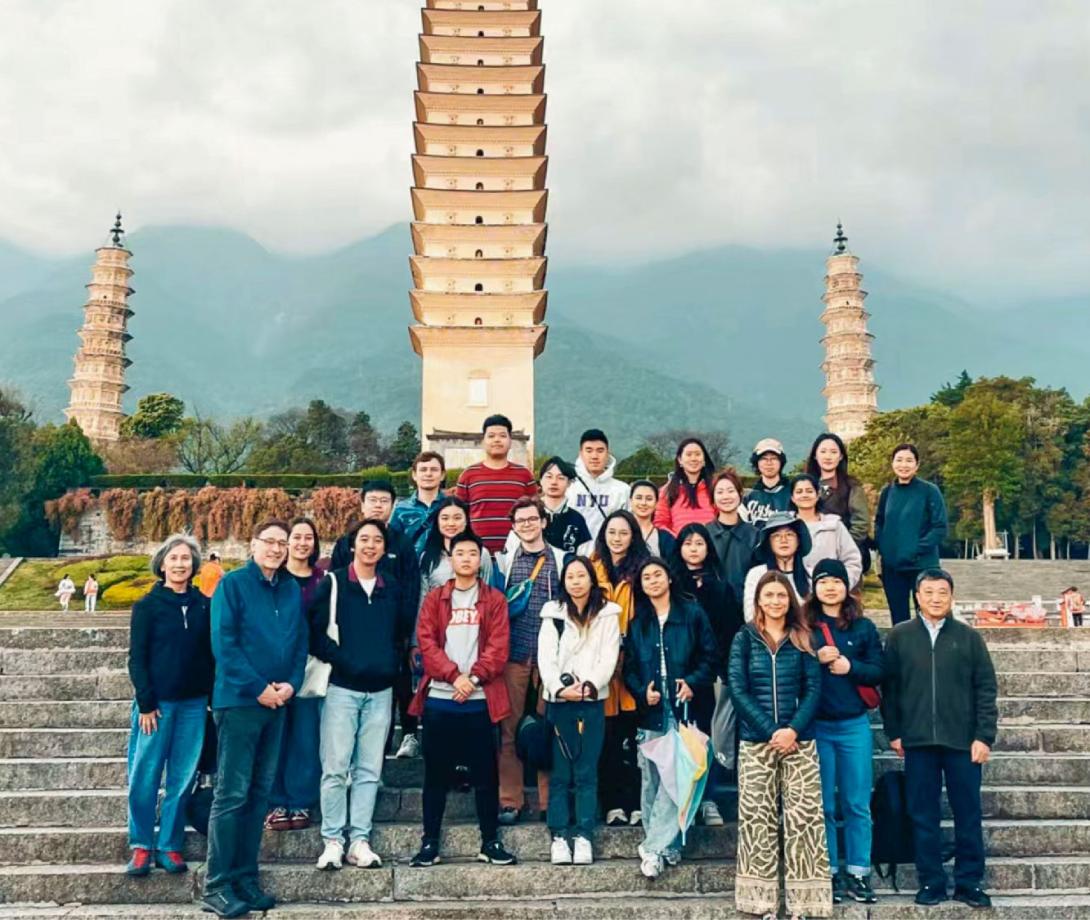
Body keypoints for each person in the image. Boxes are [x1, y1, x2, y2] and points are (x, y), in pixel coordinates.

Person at [201, 520, 309, 919]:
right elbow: (224, 646)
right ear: (253, 545)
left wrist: (290, 686)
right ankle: (217, 883)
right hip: (240, 702)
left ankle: (246, 878)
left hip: (277, 702)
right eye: (271, 542)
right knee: (231, 794)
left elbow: (300, 644)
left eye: (283, 544)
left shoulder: (290, 589)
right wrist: (259, 687)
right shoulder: (232, 585)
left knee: (260, 793)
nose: (278, 549)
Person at [882, 569, 998, 909]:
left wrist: (984, 736)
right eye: (929, 592)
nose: (935, 598)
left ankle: (969, 882)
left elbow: (986, 689)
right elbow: (890, 689)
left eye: (942, 592)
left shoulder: (969, 637)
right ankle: (931, 882)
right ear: (917, 596)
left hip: (963, 741)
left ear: (952, 597)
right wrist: (895, 732)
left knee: (968, 813)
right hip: (917, 742)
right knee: (923, 813)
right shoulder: (901, 636)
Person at [408, 531, 517, 868]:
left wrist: (471, 679)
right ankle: (429, 842)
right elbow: (427, 644)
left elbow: (498, 649)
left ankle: (490, 841)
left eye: (473, 553)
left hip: (481, 699)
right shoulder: (435, 599)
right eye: (460, 553)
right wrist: (455, 676)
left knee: (486, 776)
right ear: (451, 560)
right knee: (436, 776)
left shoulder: (494, 600)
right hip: (441, 699)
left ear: (480, 560)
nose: (466, 558)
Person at [311, 519, 415, 871]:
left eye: (377, 540)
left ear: (385, 548)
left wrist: (389, 665)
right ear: (352, 545)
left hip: (381, 690)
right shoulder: (335, 582)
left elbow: (400, 633)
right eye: (363, 539)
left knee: (370, 769)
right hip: (342, 688)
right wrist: (347, 661)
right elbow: (316, 634)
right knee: (336, 768)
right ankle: (332, 840)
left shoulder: (392, 586)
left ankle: (359, 839)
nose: (370, 545)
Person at [729, 571, 831, 918]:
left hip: (800, 742)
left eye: (781, 595)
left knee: (804, 821)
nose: (775, 601)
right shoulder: (744, 638)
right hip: (757, 743)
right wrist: (772, 730)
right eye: (768, 595)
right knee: (758, 821)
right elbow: (737, 689)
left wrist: (792, 730)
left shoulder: (805, 637)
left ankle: (806, 904)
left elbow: (813, 689)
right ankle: (761, 903)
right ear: (758, 600)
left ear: (791, 600)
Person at [125, 534, 213, 878]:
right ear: (162, 564)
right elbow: (137, 659)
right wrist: (145, 702)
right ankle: (142, 843)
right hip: (156, 706)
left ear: (194, 566)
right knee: (145, 774)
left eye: (186, 559)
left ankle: (170, 845)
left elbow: (210, 655)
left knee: (183, 777)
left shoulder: (204, 605)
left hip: (193, 704)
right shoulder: (147, 606)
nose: (180, 564)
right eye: (174, 558)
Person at [624, 558, 717, 878]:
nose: (652, 580)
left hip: (684, 707)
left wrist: (692, 681)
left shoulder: (691, 614)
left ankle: (652, 848)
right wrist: (641, 692)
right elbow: (630, 670)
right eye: (646, 576)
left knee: (677, 777)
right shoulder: (639, 623)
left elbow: (710, 655)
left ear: (670, 579)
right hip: (651, 709)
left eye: (657, 574)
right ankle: (666, 845)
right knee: (651, 778)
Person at [806, 559, 883, 905]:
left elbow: (879, 671)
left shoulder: (863, 627)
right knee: (822, 804)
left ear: (846, 586)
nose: (831, 588)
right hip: (818, 725)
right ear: (815, 587)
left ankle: (858, 872)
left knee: (857, 803)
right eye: (823, 582)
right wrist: (816, 659)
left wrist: (850, 666)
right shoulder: (805, 626)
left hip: (853, 725)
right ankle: (829, 872)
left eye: (837, 581)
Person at [538, 556, 621, 865]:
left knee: (586, 771)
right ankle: (559, 835)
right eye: (570, 576)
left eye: (581, 575)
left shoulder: (608, 613)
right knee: (560, 773)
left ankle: (584, 834)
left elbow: (609, 656)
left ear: (591, 579)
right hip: (560, 702)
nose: (575, 581)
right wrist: (559, 689)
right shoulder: (553, 613)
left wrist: (588, 686)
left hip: (592, 700)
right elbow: (545, 657)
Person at [331, 480, 421, 759]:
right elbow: (335, 585)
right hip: (353, 633)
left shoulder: (402, 542)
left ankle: (408, 733)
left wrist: (403, 628)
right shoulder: (346, 542)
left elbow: (411, 587)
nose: (378, 505)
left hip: (393, 632)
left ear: (393, 506)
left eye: (384, 501)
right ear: (362, 503)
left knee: (400, 682)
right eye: (373, 500)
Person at [494, 497, 566, 824]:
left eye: (532, 519)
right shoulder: (504, 562)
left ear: (543, 521)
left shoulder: (562, 560)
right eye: (520, 520)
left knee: (549, 730)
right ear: (513, 526)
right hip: (514, 654)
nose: (526, 524)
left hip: (552, 658)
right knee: (508, 730)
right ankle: (511, 800)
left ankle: (549, 800)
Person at [668, 522, 743, 826]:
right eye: (688, 543)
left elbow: (731, 629)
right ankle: (681, 797)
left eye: (699, 543)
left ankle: (707, 798)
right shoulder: (672, 583)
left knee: (706, 736)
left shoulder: (721, 586)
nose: (694, 549)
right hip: (678, 672)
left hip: (712, 673)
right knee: (679, 737)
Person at [266, 518, 326, 832]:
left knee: (305, 736)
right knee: (277, 737)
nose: (302, 543)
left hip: (312, 667)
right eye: (297, 537)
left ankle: (300, 800)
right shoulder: (274, 579)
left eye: (308, 538)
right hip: (275, 668)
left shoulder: (323, 579)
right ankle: (276, 802)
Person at [590, 510, 649, 826]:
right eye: (612, 532)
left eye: (624, 532)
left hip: (633, 666)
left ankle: (637, 802)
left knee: (635, 739)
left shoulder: (642, 571)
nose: (617, 538)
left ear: (633, 536)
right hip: (601, 668)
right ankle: (612, 804)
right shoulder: (591, 567)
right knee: (608, 740)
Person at [874, 443, 949, 625]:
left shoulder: (929, 491)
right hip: (893, 568)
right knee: (899, 619)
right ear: (892, 463)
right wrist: (885, 549)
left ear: (917, 465)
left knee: (928, 617)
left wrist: (915, 549)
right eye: (899, 460)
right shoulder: (887, 492)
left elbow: (939, 527)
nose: (904, 465)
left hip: (922, 566)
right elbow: (879, 523)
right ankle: (900, 653)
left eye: (909, 460)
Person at [454, 414, 537, 554]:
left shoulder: (525, 475)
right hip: (477, 554)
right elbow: (458, 515)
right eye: (491, 436)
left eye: (502, 436)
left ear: (510, 441)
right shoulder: (468, 475)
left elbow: (535, 514)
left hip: (518, 554)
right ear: (483, 441)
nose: (497, 440)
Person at [790, 474, 863, 589]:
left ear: (818, 494)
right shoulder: (785, 526)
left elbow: (852, 560)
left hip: (829, 591)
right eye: (799, 491)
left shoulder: (834, 525)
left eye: (809, 491)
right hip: (793, 593)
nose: (804, 495)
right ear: (792, 498)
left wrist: (842, 585)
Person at [805, 432, 871, 552]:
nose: (828, 456)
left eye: (833, 452)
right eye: (823, 451)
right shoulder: (805, 485)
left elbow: (861, 524)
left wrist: (843, 547)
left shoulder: (852, 486)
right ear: (815, 455)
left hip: (843, 554)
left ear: (841, 456)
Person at [742, 511, 813, 620]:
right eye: (776, 536)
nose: (783, 540)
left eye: (789, 534)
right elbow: (751, 615)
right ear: (768, 543)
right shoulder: (756, 574)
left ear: (798, 541)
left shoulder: (811, 574)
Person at [706, 468, 760, 603]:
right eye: (720, 492)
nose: (726, 497)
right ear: (713, 498)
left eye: (731, 491)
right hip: (711, 607)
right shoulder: (705, 533)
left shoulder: (755, 535)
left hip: (745, 605)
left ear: (740, 494)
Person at [566, 428, 629, 538]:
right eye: (589, 451)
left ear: (608, 453)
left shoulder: (623, 491)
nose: (594, 456)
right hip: (573, 553)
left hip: (610, 553)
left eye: (600, 451)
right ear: (580, 453)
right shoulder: (569, 488)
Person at [654, 437, 716, 536]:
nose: (693, 458)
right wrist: (679, 540)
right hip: (678, 548)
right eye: (688, 454)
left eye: (698, 454)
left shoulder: (715, 488)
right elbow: (660, 523)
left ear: (704, 459)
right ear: (680, 460)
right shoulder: (667, 491)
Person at [390, 451, 447, 555]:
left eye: (434, 470)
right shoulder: (401, 509)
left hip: (445, 568)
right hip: (411, 568)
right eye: (423, 470)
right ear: (414, 475)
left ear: (442, 475)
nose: (428, 474)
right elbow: (393, 545)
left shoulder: (451, 506)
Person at [537, 456, 593, 554]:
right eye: (549, 477)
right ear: (541, 481)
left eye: (560, 478)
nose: (554, 482)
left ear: (569, 483)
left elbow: (585, 555)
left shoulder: (577, 519)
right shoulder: (529, 515)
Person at [742, 438, 792, 526]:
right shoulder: (749, 498)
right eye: (764, 458)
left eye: (774, 458)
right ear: (756, 462)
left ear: (781, 462)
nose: (769, 463)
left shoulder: (793, 494)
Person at [629, 480, 676, 558]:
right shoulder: (619, 533)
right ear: (630, 501)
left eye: (649, 499)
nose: (643, 503)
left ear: (656, 503)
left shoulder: (666, 538)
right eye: (639, 498)